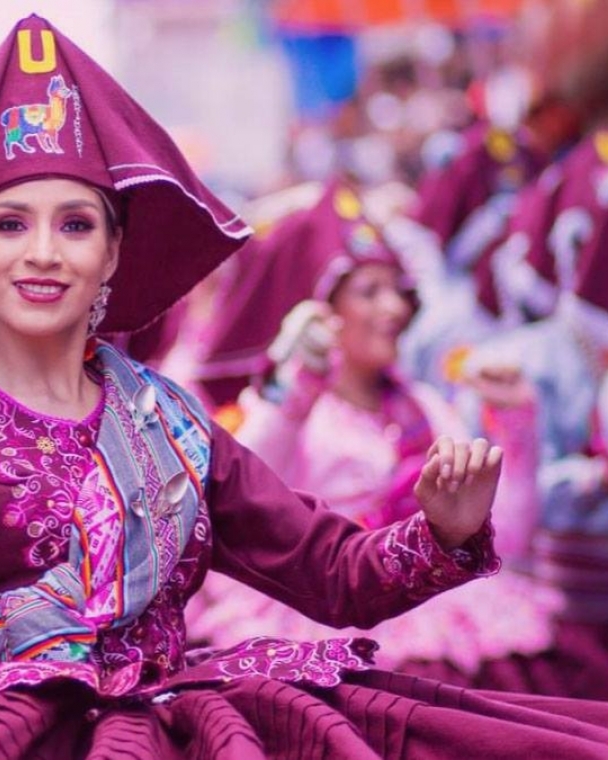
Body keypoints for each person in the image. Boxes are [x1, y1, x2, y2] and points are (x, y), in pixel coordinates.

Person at [0, 16, 608, 759]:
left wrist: (444, 530)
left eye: (76, 225)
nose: (42, 253)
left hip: (185, 718)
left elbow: (332, 577)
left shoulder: (174, 422)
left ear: (115, 249)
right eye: (10, 226)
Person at [183, 181, 589, 695]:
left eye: (398, 289)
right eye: (368, 290)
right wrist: (294, 391)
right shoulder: (287, 411)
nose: (395, 308)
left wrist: (516, 424)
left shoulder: (429, 405)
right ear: (317, 306)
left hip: (450, 630)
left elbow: (502, 540)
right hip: (326, 627)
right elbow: (241, 509)